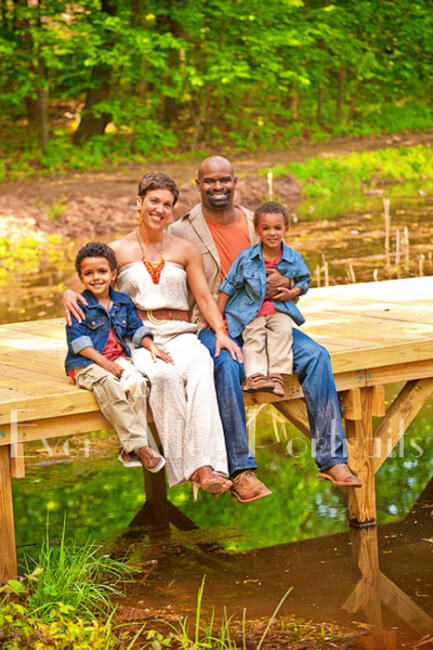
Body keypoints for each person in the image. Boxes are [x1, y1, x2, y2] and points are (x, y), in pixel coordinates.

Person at [169, 155, 362, 493]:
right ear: (198, 185)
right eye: (210, 181)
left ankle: (332, 459)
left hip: (265, 318)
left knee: (316, 356)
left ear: (235, 182)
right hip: (215, 323)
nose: (218, 187)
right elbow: (147, 255)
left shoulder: (255, 222)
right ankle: (241, 471)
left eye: (224, 180)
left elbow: (289, 268)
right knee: (226, 366)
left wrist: (287, 285)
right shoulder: (180, 229)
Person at [64, 172, 242, 499]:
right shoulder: (116, 250)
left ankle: (210, 467)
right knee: (162, 377)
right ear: (139, 203)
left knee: (202, 369)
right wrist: (66, 293)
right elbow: (84, 286)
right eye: (154, 201)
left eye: (167, 205)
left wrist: (220, 332)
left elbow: (203, 296)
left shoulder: (186, 249)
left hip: (182, 332)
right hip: (140, 335)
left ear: (173, 210)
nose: (160, 209)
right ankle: (190, 468)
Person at [65, 241, 166, 473]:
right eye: (88, 273)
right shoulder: (78, 305)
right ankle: (141, 446)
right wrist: (105, 364)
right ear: (81, 278)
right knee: (109, 384)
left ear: (113, 274)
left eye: (102, 271)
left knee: (139, 384)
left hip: (118, 359)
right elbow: (79, 343)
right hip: (86, 363)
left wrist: (151, 346)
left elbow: (135, 328)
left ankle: (129, 449)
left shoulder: (123, 301)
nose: (96, 277)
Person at [218, 201, 311, 399]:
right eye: (266, 228)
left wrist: (291, 292)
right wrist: (219, 318)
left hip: (279, 309)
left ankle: (277, 376)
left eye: (277, 228)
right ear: (257, 230)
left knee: (283, 332)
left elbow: (304, 281)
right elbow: (229, 285)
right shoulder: (247, 258)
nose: (272, 233)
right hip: (252, 310)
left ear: (286, 229)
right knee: (253, 336)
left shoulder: (292, 258)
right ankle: (255, 376)